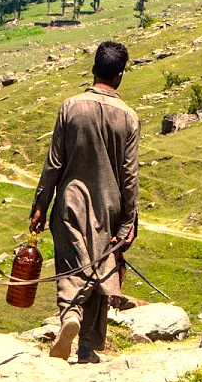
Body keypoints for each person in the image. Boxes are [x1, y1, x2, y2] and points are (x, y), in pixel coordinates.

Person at [30, 41, 139, 364]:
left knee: (72, 263)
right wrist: (129, 221)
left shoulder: (71, 107)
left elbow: (53, 163)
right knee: (99, 265)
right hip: (110, 206)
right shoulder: (129, 118)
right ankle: (88, 346)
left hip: (70, 200)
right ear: (120, 75)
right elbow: (130, 176)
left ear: (94, 69)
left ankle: (69, 316)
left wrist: (40, 205)